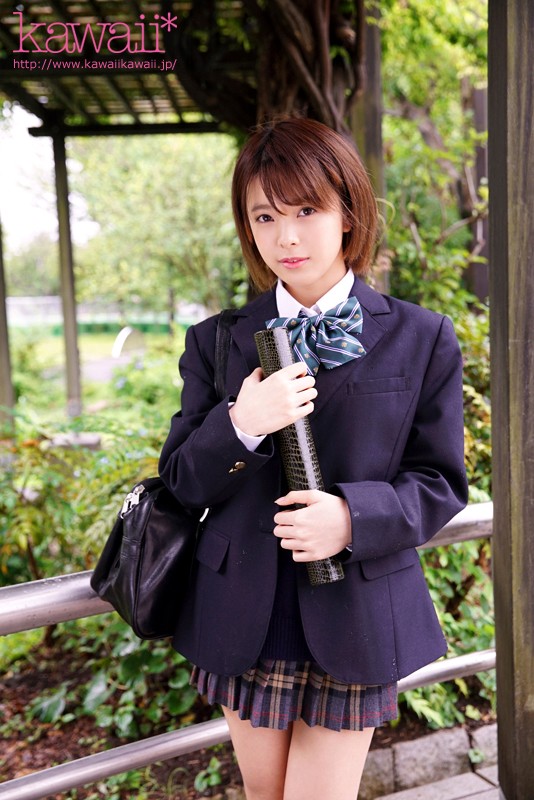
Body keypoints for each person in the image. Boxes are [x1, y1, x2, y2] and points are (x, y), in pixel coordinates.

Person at [159, 117, 468, 800]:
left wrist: (353, 518)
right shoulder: (217, 341)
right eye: (265, 216)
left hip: (354, 608)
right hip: (243, 610)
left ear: (348, 213)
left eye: (306, 211)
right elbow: (180, 481)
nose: (286, 238)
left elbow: (441, 481)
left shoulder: (420, 337)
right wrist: (241, 423)